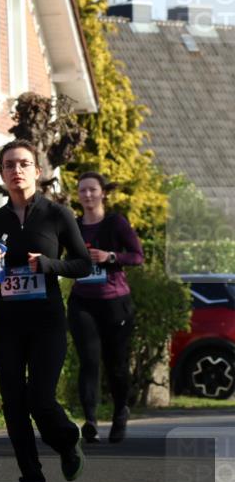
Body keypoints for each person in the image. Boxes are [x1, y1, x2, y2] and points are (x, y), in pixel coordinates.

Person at [0, 139, 91, 482]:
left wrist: (50, 264)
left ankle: (68, 440)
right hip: (6, 322)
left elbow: (84, 263)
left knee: (40, 398)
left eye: (23, 164)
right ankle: (31, 477)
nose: (16, 170)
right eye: (9, 165)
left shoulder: (57, 215)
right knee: (13, 400)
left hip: (47, 321)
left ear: (37, 172)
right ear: (2, 174)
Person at [68, 172, 144, 443]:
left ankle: (120, 413)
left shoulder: (116, 223)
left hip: (115, 301)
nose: (87, 195)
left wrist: (109, 256)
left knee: (116, 365)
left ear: (103, 193)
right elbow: (64, 259)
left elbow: (137, 256)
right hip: (82, 302)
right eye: (82, 191)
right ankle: (90, 421)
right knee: (89, 360)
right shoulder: (74, 226)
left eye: (92, 190)